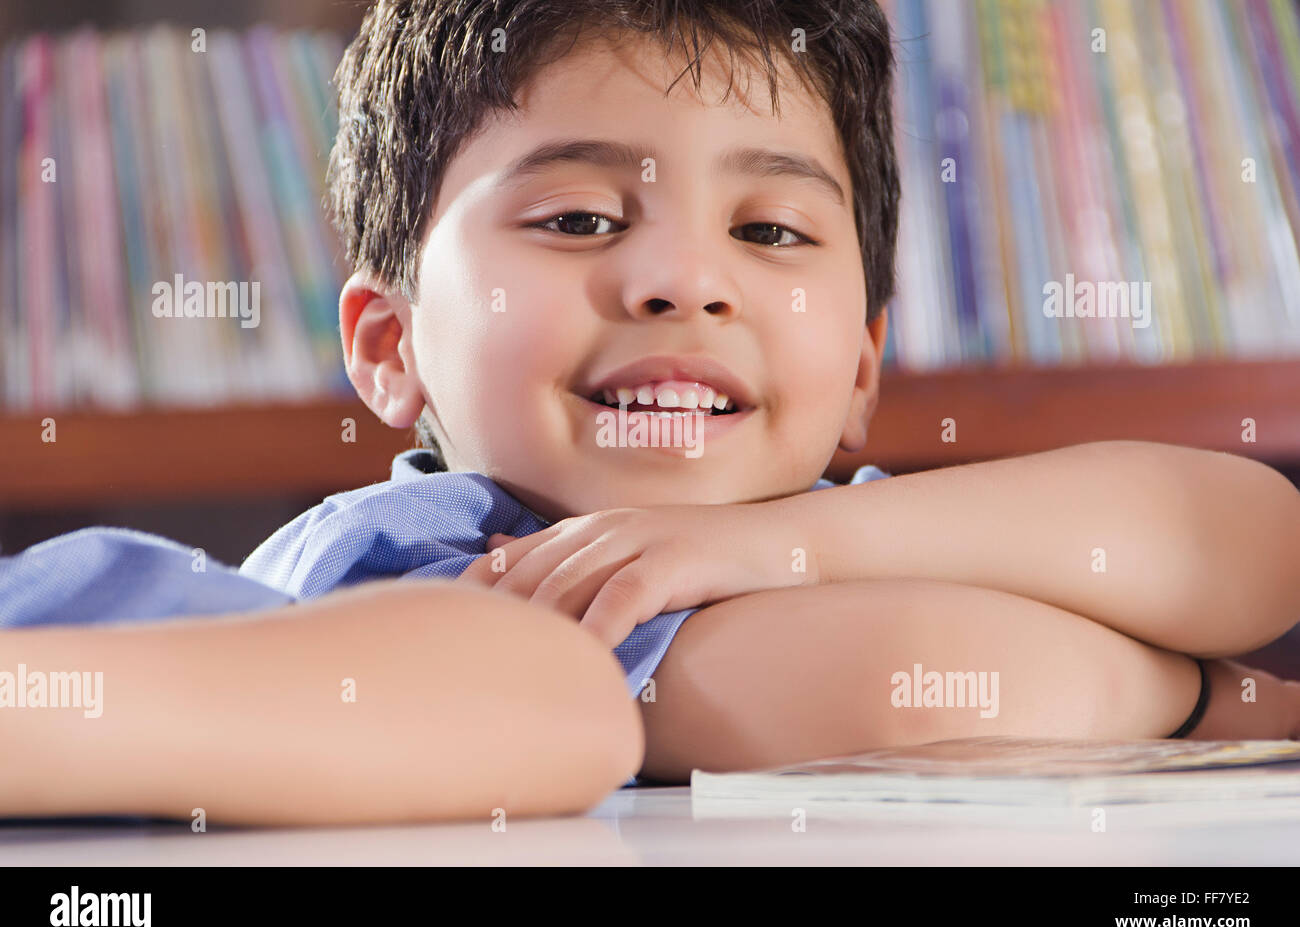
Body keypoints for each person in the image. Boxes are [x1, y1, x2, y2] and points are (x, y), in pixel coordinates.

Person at [4, 0, 1300, 825]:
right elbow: (915, 688)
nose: (683, 279)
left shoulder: (818, 529)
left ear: (862, 368)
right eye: (578, 219)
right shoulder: (425, 559)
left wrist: (777, 547)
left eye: (771, 229)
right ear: (391, 347)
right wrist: (1206, 698)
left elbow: (1242, 539)